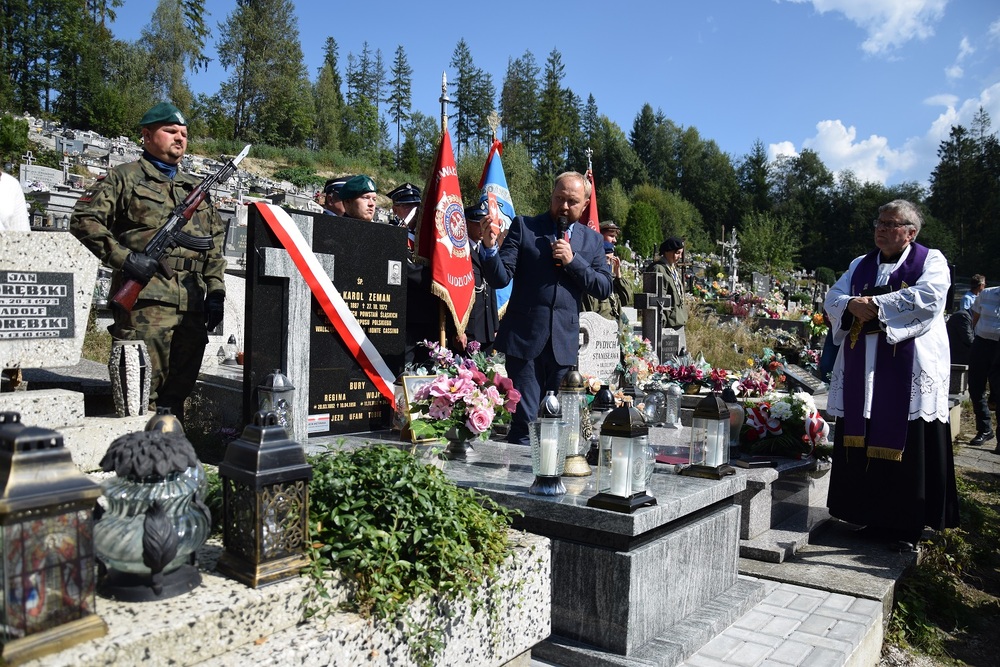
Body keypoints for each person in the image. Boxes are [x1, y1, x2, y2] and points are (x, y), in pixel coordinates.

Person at [70, 102, 227, 423]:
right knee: (140, 394)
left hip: (192, 308)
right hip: (146, 304)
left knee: (177, 394)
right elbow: (84, 219)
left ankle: (173, 457)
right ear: (146, 135)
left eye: (184, 133)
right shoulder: (125, 177)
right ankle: (138, 459)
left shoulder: (194, 189)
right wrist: (126, 259)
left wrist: (216, 291)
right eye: (171, 131)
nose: (180, 138)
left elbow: (214, 245)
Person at [824, 199, 959, 551]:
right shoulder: (859, 264)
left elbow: (929, 298)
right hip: (863, 367)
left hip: (909, 367)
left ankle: (907, 524)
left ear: (910, 232)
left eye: (890, 223)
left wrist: (875, 306)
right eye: (878, 223)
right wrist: (849, 305)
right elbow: (833, 296)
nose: (881, 229)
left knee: (909, 440)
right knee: (864, 437)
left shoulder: (931, 260)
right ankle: (869, 516)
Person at [479, 171, 612, 445]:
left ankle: (550, 481)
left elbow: (603, 287)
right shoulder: (525, 227)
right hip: (524, 341)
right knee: (526, 422)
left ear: (585, 204)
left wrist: (573, 261)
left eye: (572, 201)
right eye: (559, 198)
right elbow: (500, 277)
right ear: (551, 196)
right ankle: (517, 481)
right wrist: (490, 248)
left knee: (559, 424)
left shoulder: (592, 241)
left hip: (564, 345)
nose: (563, 206)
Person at [457, 203, 498, 354]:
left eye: (484, 224)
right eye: (478, 224)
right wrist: (459, 328)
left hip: (487, 328)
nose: (483, 228)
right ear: (466, 223)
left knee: (486, 376)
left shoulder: (487, 250)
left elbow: (491, 288)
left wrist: (495, 325)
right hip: (469, 329)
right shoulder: (460, 252)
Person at [968, 284, 1000, 447]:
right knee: (975, 386)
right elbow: (975, 318)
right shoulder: (986, 294)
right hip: (982, 343)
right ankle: (985, 429)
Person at [647, 237, 690, 354]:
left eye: (680, 253)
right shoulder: (659, 269)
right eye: (677, 253)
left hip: (678, 322)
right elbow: (659, 301)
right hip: (668, 325)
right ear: (667, 251)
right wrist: (662, 326)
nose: (679, 257)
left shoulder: (671, 269)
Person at [581, 240, 632, 321]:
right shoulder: (591, 283)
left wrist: (618, 276)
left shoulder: (612, 282)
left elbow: (626, 299)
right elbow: (588, 316)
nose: (609, 263)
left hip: (616, 328)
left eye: (611, 260)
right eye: (606, 258)